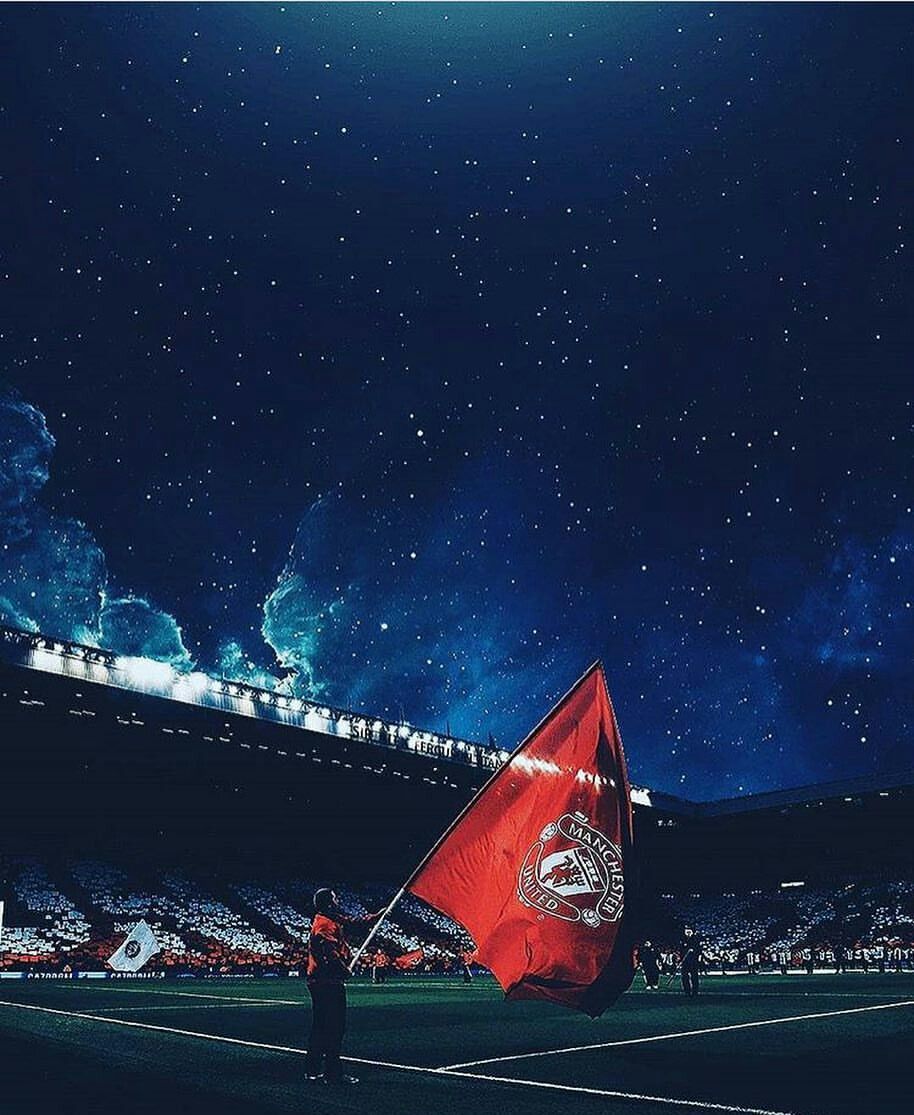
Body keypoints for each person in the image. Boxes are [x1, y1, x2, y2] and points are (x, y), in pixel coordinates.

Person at [304, 888, 380, 1086]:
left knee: (321, 1027)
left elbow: (354, 923)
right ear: (329, 903)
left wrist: (377, 916)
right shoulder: (324, 925)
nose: (338, 902)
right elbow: (330, 954)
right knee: (334, 1028)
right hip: (327, 983)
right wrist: (344, 970)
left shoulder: (331, 919)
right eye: (335, 899)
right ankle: (332, 1074)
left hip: (322, 982)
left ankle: (312, 1070)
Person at [679, 927, 702, 997]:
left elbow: (699, 950)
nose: (688, 933)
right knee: (684, 977)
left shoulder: (696, 940)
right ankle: (687, 991)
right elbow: (681, 951)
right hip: (685, 961)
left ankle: (695, 991)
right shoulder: (682, 940)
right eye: (687, 931)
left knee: (694, 977)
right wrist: (680, 960)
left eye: (689, 931)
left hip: (693, 961)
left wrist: (694, 950)